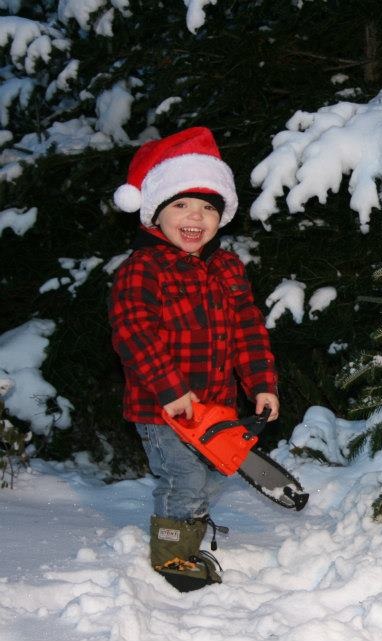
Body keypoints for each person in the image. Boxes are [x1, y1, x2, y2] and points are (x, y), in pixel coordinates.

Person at [108, 126, 279, 592]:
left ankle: (190, 528)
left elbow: (247, 328)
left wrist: (262, 382)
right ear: (155, 212)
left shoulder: (227, 268)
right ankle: (173, 557)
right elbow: (133, 333)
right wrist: (170, 388)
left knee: (211, 476)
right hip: (163, 408)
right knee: (182, 478)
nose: (196, 217)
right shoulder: (141, 269)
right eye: (181, 204)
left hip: (214, 406)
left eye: (208, 207)